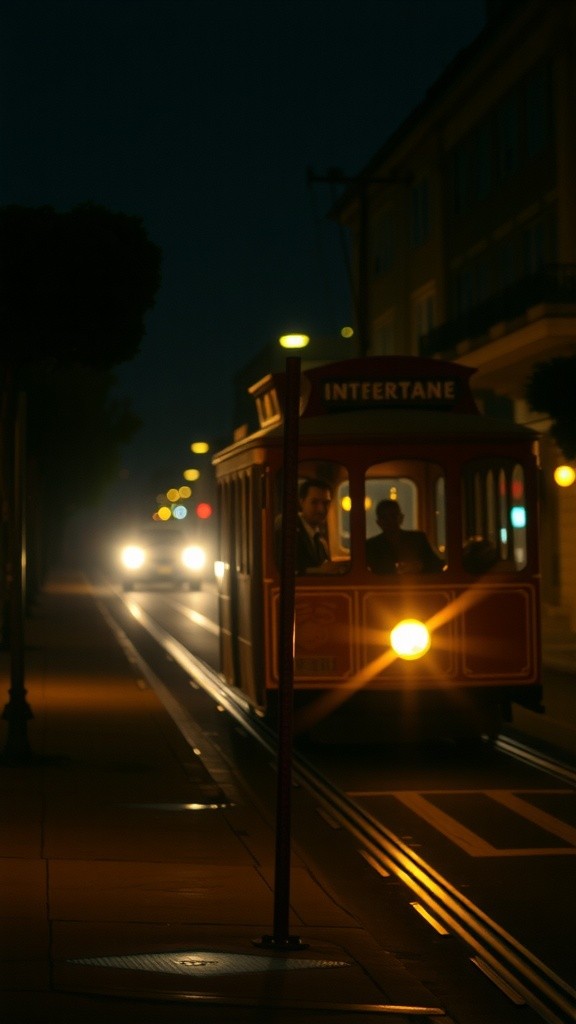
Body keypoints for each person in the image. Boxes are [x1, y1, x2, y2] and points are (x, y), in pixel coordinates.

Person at [275, 477, 338, 574]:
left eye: (326, 503)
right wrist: (319, 571)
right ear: (302, 502)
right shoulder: (286, 527)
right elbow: (281, 570)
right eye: (314, 502)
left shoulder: (320, 540)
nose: (321, 509)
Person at [366, 498, 445, 575]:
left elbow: (436, 565)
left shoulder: (418, 539)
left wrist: (420, 566)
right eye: (385, 518)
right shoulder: (370, 546)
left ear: (400, 518)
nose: (390, 521)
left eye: (392, 516)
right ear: (379, 522)